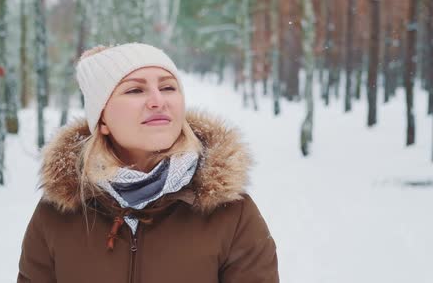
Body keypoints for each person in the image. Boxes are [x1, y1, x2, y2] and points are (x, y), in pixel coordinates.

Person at [17, 43, 279, 283]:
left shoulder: (229, 211)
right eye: (135, 90)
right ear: (102, 120)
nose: (158, 101)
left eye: (167, 87)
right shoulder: (59, 212)